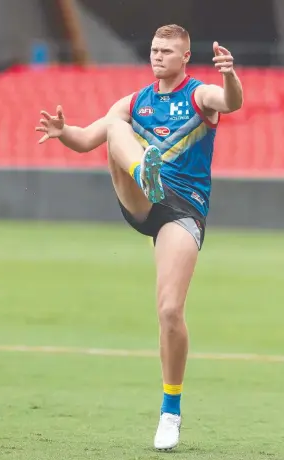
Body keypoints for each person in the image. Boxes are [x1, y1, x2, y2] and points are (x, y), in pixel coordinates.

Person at [35, 24, 243, 451]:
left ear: (185, 57)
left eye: (167, 50)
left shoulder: (200, 94)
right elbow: (85, 139)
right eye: (153, 49)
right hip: (142, 196)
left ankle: (170, 410)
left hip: (182, 210)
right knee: (114, 127)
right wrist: (63, 130)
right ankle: (142, 171)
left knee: (169, 311)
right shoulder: (135, 102)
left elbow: (231, 102)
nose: (158, 56)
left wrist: (228, 74)